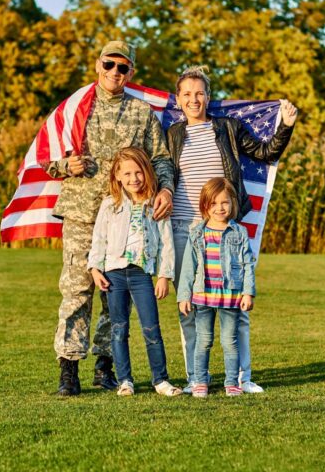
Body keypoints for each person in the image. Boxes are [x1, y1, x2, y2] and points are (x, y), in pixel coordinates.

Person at [44, 41, 175, 396]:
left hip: (125, 216)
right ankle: (68, 369)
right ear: (98, 65)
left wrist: (165, 189)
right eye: (109, 64)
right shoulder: (74, 109)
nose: (115, 72)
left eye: (123, 67)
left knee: (114, 297)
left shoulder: (142, 112)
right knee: (76, 291)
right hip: (82, 215)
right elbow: (46, 157)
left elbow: (161, 158)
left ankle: (105, 366)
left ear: (131, 73)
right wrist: (63, 166)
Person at [167, 65, 298, 394]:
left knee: (236, 307)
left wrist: (286, 125)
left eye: (199, 93)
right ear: (178, 100)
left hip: (225, 230)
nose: (193, 99)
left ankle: (242, 378)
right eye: (187, 94)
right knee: (191, 307)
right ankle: (196, 379)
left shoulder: (227, 128)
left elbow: (267, 153)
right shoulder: (172, 134)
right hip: (184, 229)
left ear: (208, 97)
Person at [88, 147, 182, 397]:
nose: (134, 179)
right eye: (127, 173)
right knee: (119, 328)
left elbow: (166, 242)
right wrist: (95, 268)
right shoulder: (110, 205)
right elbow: (99, 238)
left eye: (138, 172)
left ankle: (160, 380)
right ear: (117, 176)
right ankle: (125, 381)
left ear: (147, 173)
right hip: (114, 274)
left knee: (151, 328)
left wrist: (164, 275)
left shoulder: (156, 204)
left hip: (142, 275)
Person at [176, 178, 255, 397]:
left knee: (229, 341)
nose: (219, 208)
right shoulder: (198, 233)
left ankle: (232, 382)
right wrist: (184, 296)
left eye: (224, 203)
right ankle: (200, 381)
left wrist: (248, 292)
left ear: (232, 204)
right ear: (205, 205)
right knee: (204, 340)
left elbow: (248, 264)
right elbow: (188, 268)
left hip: (230, 296)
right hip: (202, 296)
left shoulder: (239, 233)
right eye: (213, 203)